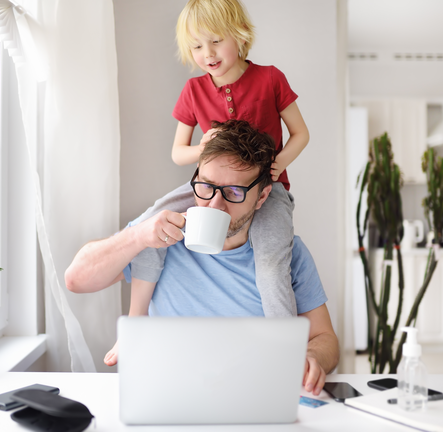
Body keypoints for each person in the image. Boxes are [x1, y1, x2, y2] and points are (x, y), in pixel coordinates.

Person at [65, 120, 338, 396]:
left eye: (233, 192)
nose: (214, 205)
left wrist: (312, 357)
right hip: (167, 394)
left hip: (251, 397)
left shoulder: (288, 254)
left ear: (262, 196)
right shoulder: (159, 237)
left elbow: (325, 338)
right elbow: (76, 279)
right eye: (206, 187)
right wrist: (137, 236)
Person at [118, 0, 311, 364]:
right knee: (150, 229)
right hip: (207, 190)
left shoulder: (270, 78)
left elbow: (301, 134)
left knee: (271, 260)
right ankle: (136, 323)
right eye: (196, 46)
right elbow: (178, 152)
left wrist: (277, 166)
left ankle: (287, 353)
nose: (207, 53)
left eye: (215, 41)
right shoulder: (193, 91)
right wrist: (200, 148)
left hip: (266, 190)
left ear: (239, 35)